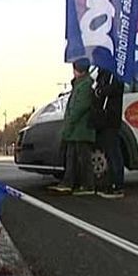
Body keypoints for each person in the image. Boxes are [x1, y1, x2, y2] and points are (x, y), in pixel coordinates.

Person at [50, 60, 96, 195]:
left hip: (81, 128)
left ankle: (88, 185)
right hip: (76, 130)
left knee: (83, 158)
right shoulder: (79, 84)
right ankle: (68, 182)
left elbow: (79, 108)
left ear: (79, 70)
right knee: (72, 157)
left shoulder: (85, 85)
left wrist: (69, 124)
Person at [91, 67, 125, 199]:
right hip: (102, 119)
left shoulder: (114, 73)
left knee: (113, 151)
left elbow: (116, 88)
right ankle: (111, 183)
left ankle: (118, 185)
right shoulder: (101, 74)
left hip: (110, 117)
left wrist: (101, 91)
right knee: (109, 153)